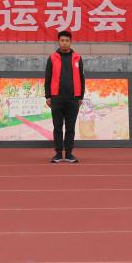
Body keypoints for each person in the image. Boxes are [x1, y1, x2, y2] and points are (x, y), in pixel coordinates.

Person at [43, 30, 85, 164]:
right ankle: (57, 153)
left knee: (70, 127)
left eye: (67, 41)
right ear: (58, 42)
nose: (65, 43)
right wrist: (48, 96)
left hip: (73, 98)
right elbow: (48, 78)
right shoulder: (52, 57)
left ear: (70, 42)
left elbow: (82, 78)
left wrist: (81, 96)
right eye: (62, 40)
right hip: (57, 98)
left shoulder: (77, 57)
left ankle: (69, 153)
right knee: (57, 126)